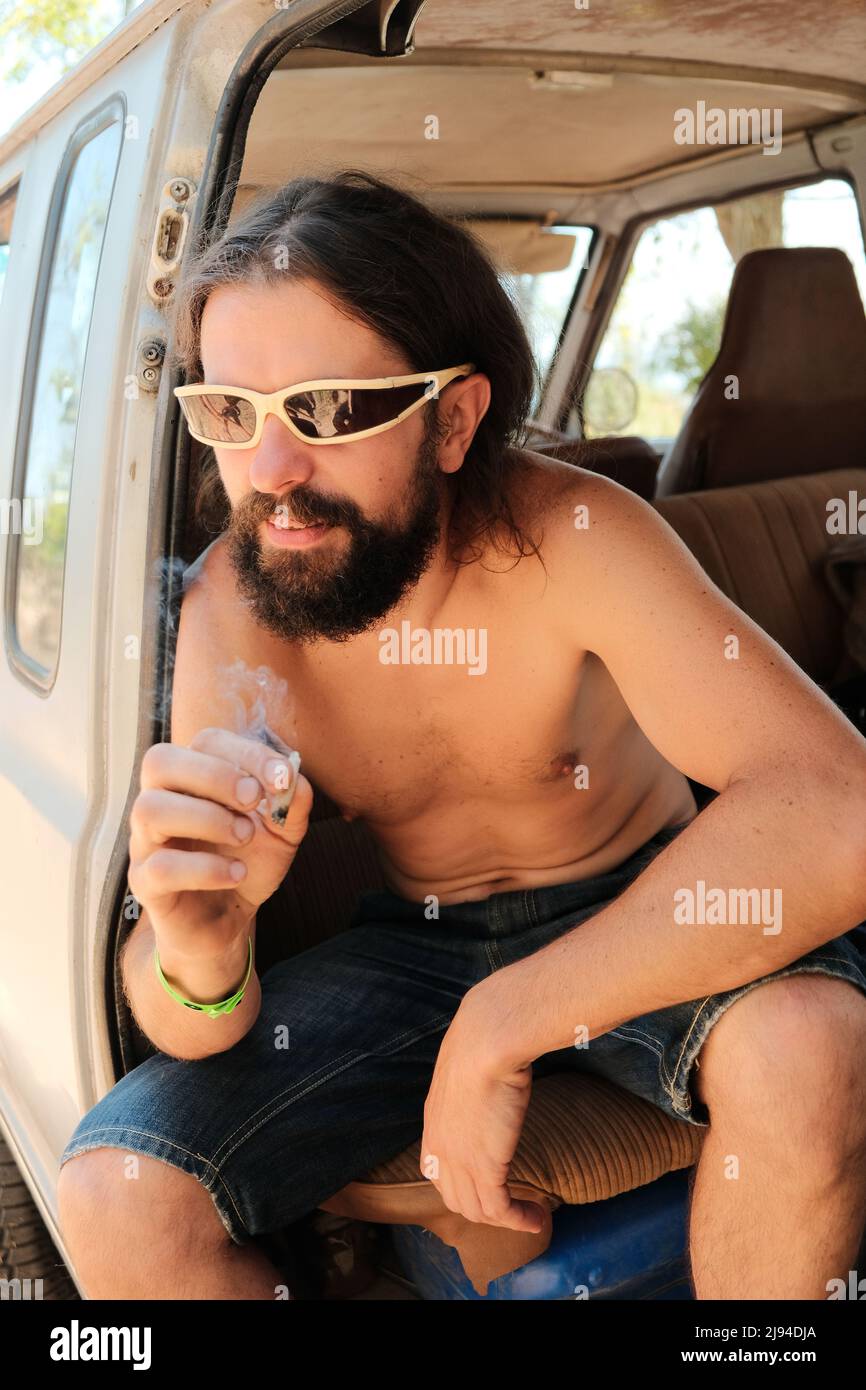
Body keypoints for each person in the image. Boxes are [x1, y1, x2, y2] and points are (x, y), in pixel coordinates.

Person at [57, 170, 866, 1301]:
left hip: (646, 904)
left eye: (332, 410)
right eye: (230, 414)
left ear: (451, 419)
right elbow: (193, 1015)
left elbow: (837, 807)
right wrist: (196, 948)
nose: (273, 475)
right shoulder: (232, 611)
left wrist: (505, 1023)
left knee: (809, 1046)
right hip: (414, 946)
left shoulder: (574, 537)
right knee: (115, 1195)